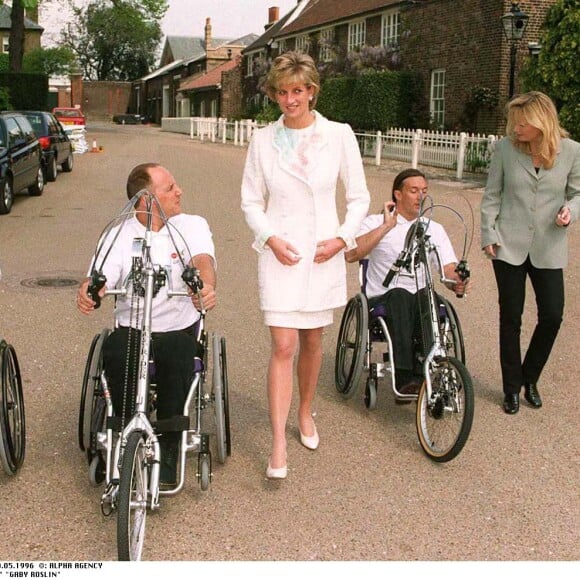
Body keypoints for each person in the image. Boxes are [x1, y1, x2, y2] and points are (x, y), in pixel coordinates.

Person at [241, 51, 370, 479]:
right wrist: (269, 239)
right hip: (280, 255)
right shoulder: (261, 140)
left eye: (298, 91)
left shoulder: (339, 135)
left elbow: (359, 198)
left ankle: (306, 411)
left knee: (312, 343)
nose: (289, 99)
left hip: (321, 254)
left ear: (312, 91)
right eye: (282, 92)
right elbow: (250, 201)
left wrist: (342, 238)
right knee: (283, 345)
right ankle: (278, 442)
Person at [77, 163, 217, 485]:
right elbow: (100, 278)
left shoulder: (191, 225)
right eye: (169, 188)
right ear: (145, 200)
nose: (179, 191)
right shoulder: (118, 235)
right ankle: (120, 440)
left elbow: (202, 262)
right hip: (132, 328)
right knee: (116, 351)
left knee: (177, 353)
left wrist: (205, 288)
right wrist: (90, 290)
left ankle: (168, 446)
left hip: (177, 328)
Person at [481, 91, 580, 415]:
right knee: (511, 317)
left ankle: (530, 377)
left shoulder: (571, 152)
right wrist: (488, 234)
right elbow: (492, 195)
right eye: (514, 122)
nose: (516, 129)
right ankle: (511, 389)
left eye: (522, 123)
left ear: (541, 122)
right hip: (508, 243)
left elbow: (578, 193)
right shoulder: (505, 150)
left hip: (549, 245)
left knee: (552, 315)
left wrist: (570, 211)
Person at [345, 168, 469, 399]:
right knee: (401, 294)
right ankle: (405, 376)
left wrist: (457, 281)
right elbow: (351, 254)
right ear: (398, 195)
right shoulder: (374, 222)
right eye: (413, 191)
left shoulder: (433, 228)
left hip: (421, 295)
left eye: (424, 191)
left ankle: (429, 365)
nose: (420, 196)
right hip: (385, 295)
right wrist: (386, 226)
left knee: (427, 297)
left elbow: (447, 268)